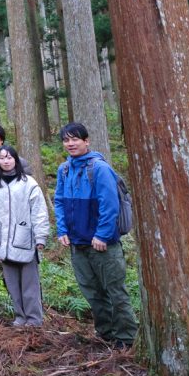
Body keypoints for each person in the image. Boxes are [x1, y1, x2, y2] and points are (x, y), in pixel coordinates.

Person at [53, 122, 138, 349]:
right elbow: (59, 201)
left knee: (115, 291)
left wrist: (101, 235)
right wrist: (62, 230)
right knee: (92, 293)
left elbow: (109, 205)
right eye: (66, 140)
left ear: (86, 141)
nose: (70, 144)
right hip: (78, 244)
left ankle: (127, 337)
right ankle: (106, 333)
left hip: (103, 245)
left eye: (75, 139)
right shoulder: (64, 170)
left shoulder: (99, 168)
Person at [0, 144, 49, 326]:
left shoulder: (29, 183)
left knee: (29, 285)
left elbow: (39, 211)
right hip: (2, 240)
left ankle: (34, 319)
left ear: (16, 160)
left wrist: (41, 237)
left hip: (25, 240)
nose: (6, 161)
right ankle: (20, 316)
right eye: (2, 158)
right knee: (12, 284)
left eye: (9, 157)